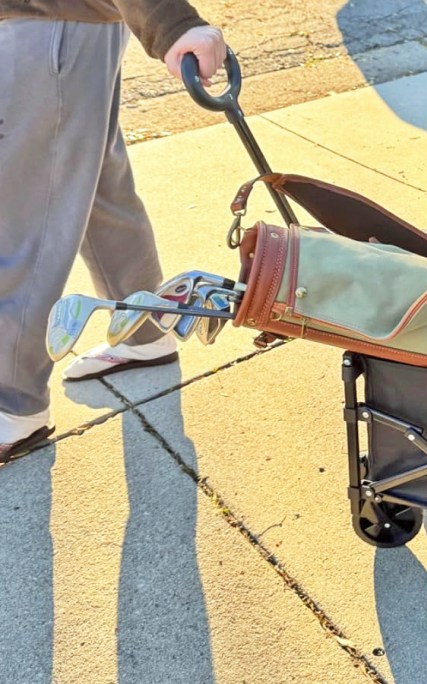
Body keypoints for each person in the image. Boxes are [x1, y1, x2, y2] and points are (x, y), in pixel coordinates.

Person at [0, 2, 227, 461]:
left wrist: (173, 24)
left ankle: (13, 402)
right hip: (63, 24)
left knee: (28, 214)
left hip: (50, 24)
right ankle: (145, 332)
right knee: (98, 188)